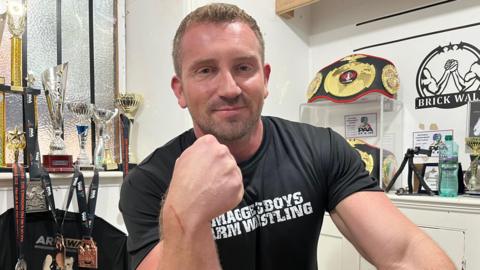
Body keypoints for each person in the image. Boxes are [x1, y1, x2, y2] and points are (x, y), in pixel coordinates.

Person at [119, 3, 455, 270]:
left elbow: (406, 253)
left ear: (265, 79)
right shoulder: (149, 183)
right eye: (206, 70)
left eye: (243, 67)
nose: (229, 88)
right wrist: (187, 213)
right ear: (180, 90)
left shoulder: (320, 149)